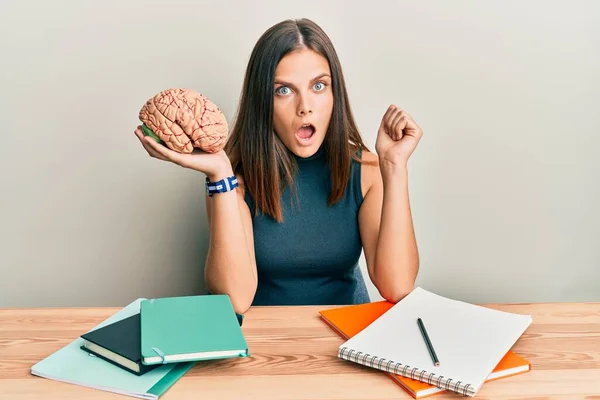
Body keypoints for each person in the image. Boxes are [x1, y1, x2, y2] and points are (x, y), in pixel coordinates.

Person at [134, 18, 423, 315]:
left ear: (335, 95)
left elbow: (397, 286)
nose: (305, 107)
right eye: (284, 91)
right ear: (263, 102)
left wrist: (394, 165)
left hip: (346, 341)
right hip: (265, 343)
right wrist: (220, 174)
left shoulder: (367, 171)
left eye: (319, 86)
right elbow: (235, 300)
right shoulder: (234, 180)